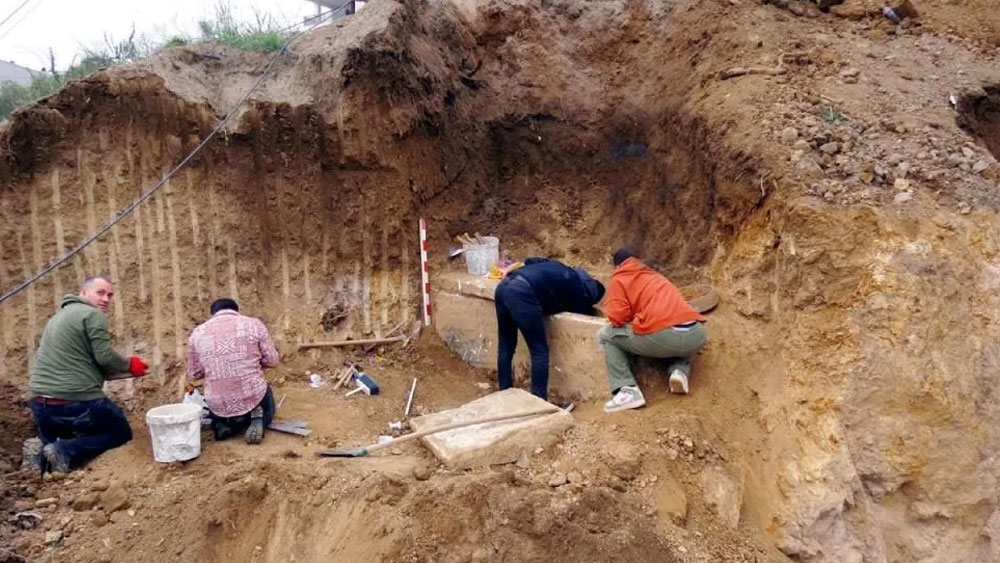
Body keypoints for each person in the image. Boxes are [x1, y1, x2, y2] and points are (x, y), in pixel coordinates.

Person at [28, 277, 149, 473]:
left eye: (110, 295)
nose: (106, 299)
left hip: (40, 403)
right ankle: (63, 450)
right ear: (83, 293)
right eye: (100, 293)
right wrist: (130, 364)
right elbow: (104, 357)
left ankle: (41, 448)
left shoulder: (57, 318)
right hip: (75, 402)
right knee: (120, 433)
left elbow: (80, 359)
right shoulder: (92, 314)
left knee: (68, 431)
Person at [600, 247, 707, 413]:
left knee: (607, 335)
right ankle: (679, 370)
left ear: (618, 266)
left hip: (664, 336)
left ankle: (627, 391)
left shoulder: (620, 277)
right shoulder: (654, 275)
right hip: (697, 334)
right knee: (679, 335)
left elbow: (617, 317)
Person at [494, 257, 605, 400]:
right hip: (522, 293)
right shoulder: (578, 291)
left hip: (503, 286)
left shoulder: (557, 266)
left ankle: (504, 394)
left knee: (506, 344)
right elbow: (580, 311)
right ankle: (539, 401)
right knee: (539, 351)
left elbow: (530, 260)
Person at [186, 298, 279, 444]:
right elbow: (272, 361)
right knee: (266, 395)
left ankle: (220, 424)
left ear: (213, 314)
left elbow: (194, 373)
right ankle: (260, 421)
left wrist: (214, 366)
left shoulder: (197, 333)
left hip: (218, 401)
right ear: (236, 310)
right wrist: (252, 362)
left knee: (214, 399)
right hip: (251, 394)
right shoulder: (253, 325)